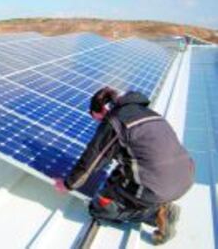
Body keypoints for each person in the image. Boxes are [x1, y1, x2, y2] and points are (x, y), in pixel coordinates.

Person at [55, 87, 194, 245]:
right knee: (122, 166)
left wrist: (67, 184)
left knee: (98, 208)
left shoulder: (115, 121)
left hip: (157, 187)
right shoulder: (148, 113)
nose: (99, 124)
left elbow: (92, 160)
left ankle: (156, 214)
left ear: (104, 110)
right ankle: (152, 201)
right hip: (185, 176)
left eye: (98, 118)